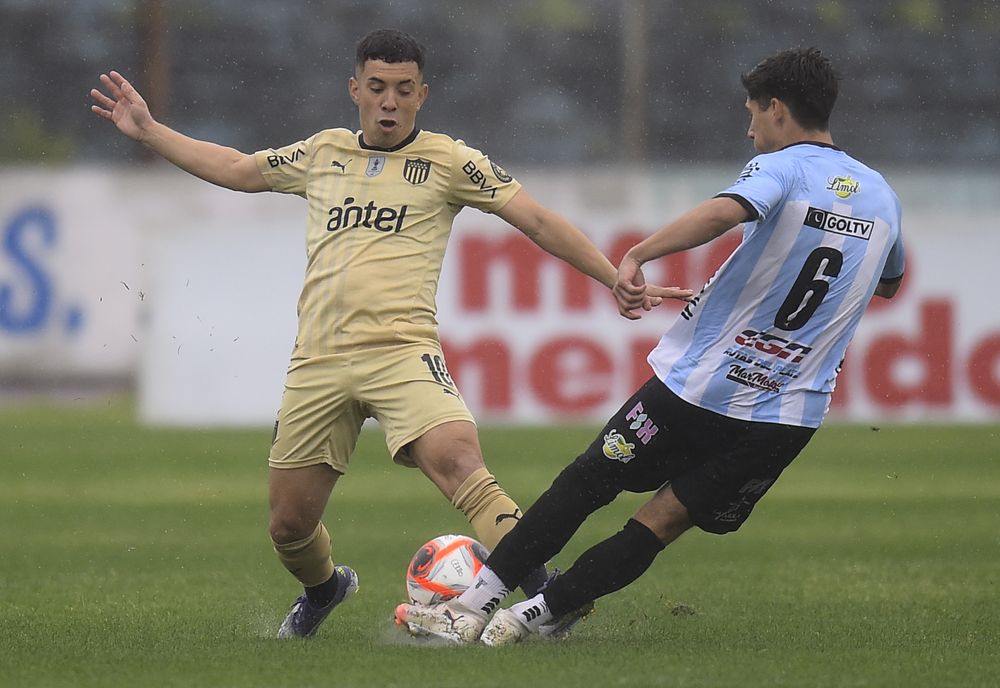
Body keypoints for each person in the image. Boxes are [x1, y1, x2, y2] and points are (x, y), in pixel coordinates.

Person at [90, 29, 690, 639]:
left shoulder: (450, 161)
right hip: (318, 362)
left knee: (460, 461)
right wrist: (150, 131)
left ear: (421, 95)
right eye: (377, 87)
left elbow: (534, 218)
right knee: (288, 526)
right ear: (355, 89)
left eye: (403, 90)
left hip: (403, 352)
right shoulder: (322, 153)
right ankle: (325, 589)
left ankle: (545, 597)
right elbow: (241, 169)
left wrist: (612, 275)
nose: (389, 102)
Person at [396, 46, 905, 645]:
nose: (749, 129)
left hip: (700, 388)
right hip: (785, 414)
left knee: (587, 483)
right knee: (659, 524)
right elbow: (889, 283)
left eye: (752, 114)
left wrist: (639, 253)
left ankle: (471, 606)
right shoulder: (882, 197)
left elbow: (724, 213)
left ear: (776, 108)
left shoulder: (784, 168)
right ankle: (529, 619)